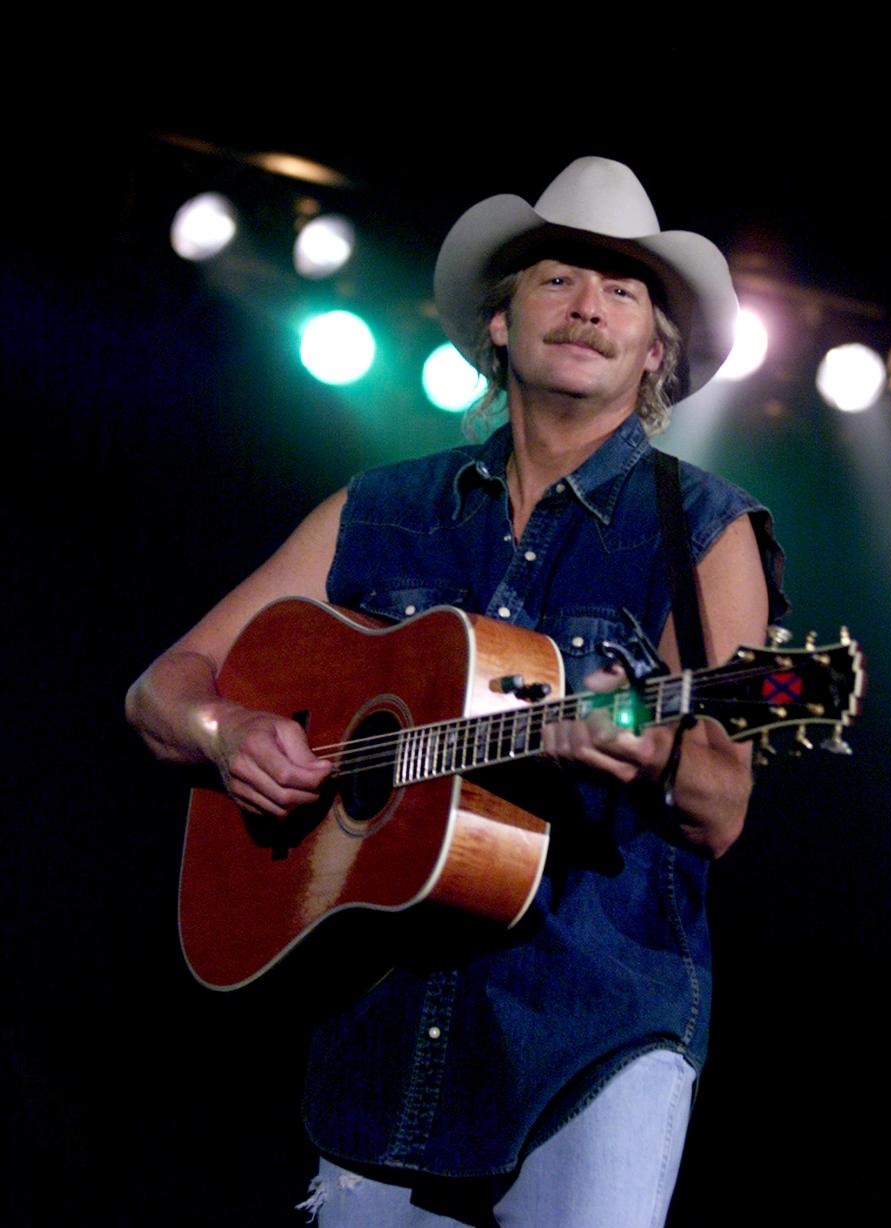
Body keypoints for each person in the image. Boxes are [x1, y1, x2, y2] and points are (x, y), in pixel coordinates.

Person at [126, 156, 787, 1227]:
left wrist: (647, 742)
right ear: (499, 321)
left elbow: (721, 802)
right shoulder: (383, 507)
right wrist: (231, 726)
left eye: (623, 291)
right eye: (557, 278)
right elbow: (164, 686)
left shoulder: (702, 526)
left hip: (597, 1036)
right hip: (378, 1042)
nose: (587, 307)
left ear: (656, 349)